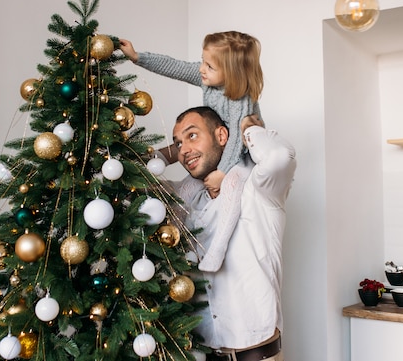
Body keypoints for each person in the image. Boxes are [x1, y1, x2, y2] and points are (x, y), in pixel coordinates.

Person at [120, 32, 264, 273]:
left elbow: (238, 140)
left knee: (232, 185)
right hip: (218, 154)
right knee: (187, 188)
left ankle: (216, 250)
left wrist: (222, 173)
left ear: (232, 73)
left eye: (209, 65)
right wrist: (137, 57)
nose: (201, 69)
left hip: (241, 158)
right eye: (202, 61)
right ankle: (174, 242)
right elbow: (175, 67)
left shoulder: (241, 100)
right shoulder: (207, 79)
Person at [164, 106, 296, 361]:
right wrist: (170, 153)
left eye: (192, 136)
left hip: (257, 355)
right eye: (178, 143)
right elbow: (132, 179)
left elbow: (281, 156)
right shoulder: (184, 200)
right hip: (199, 354)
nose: (184, 149)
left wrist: (247, 129)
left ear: (222, 136)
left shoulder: (258, 189)